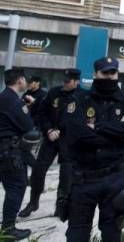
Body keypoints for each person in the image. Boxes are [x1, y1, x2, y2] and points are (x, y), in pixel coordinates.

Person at [64, 57, 124, 241]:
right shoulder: (79, 99)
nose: (109, 76)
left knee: (113, 232)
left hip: (116, 178)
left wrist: (98, 127)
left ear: (117, 74)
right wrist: (115, 137)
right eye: (104, 73)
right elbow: (76, 135)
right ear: (95, 74)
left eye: (112, 72)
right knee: (77, 234)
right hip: (84, 179)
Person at [19, 68, 81, 219]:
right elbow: (42, 112)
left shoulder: (83, 96)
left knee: (66, 175)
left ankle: (61, 207)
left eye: (68, 81)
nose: (64, 84)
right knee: (38, 170)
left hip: (68, 141)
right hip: (50, 138)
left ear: (76, 81)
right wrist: (48, 130)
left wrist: (66, 130)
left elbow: (84, 121)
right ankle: (33, 202)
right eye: (63, 81)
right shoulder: (53, 92)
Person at [0, 69, 40, 240]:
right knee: (16, 187)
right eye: (25, 79)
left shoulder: (3, 97)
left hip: (3, 150)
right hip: (10, 152)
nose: (26, 83)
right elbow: (27, 126)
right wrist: (27, 108)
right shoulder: (15, 102)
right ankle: (8, 229)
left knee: (11, 187)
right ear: (19, 80)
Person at [20, 76, 46, 170]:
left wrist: (34, 102)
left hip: (36, 127)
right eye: (28, 82)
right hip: (25, 125)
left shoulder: (43, 94)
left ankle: (37, 169)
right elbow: (22, 108)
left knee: (23, 150)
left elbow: (44, 110)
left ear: (37, 83)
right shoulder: (26, 94)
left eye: (31, 82)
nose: (29, 84)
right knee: (22, 151)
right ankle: (27, 175)